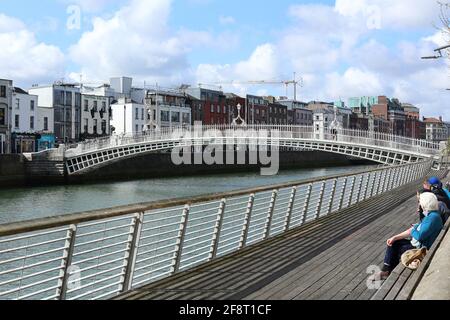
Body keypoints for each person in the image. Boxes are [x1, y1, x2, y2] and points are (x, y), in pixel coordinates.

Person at [371, 193, 443, 281]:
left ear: (425, 204)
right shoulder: (431, 215)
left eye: (419, 202)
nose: (419, 204)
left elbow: (419, 236)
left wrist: (414, 229)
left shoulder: (432, 218)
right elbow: (415, 230)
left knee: (397, 249)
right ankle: (386, 270)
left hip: (420, 248)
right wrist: (395, 237)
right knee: (394, 242)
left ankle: (387, 272)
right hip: (418, 244)